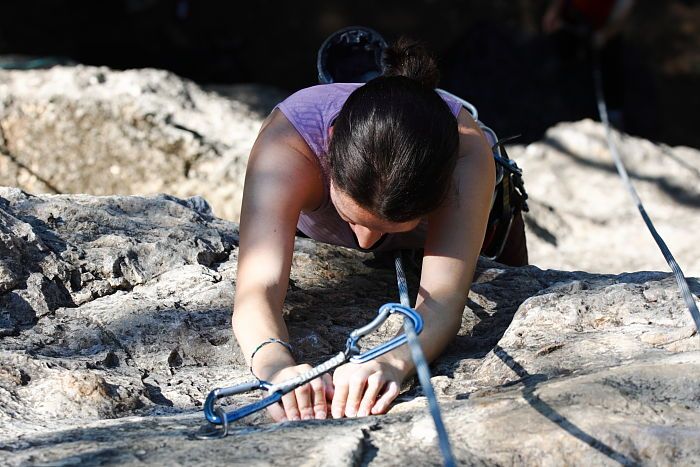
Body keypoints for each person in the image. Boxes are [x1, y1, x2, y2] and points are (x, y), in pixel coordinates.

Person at [231, 35, 528, 423]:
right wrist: (276, 365)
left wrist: (392, 362)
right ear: (330, 148)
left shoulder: (467, 155)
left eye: (390, 226)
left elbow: (444, 299)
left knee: (517, 280)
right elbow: (258, 286)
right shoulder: (289, 145)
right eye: (352, 218)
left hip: (479, 210)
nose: (365, 242)